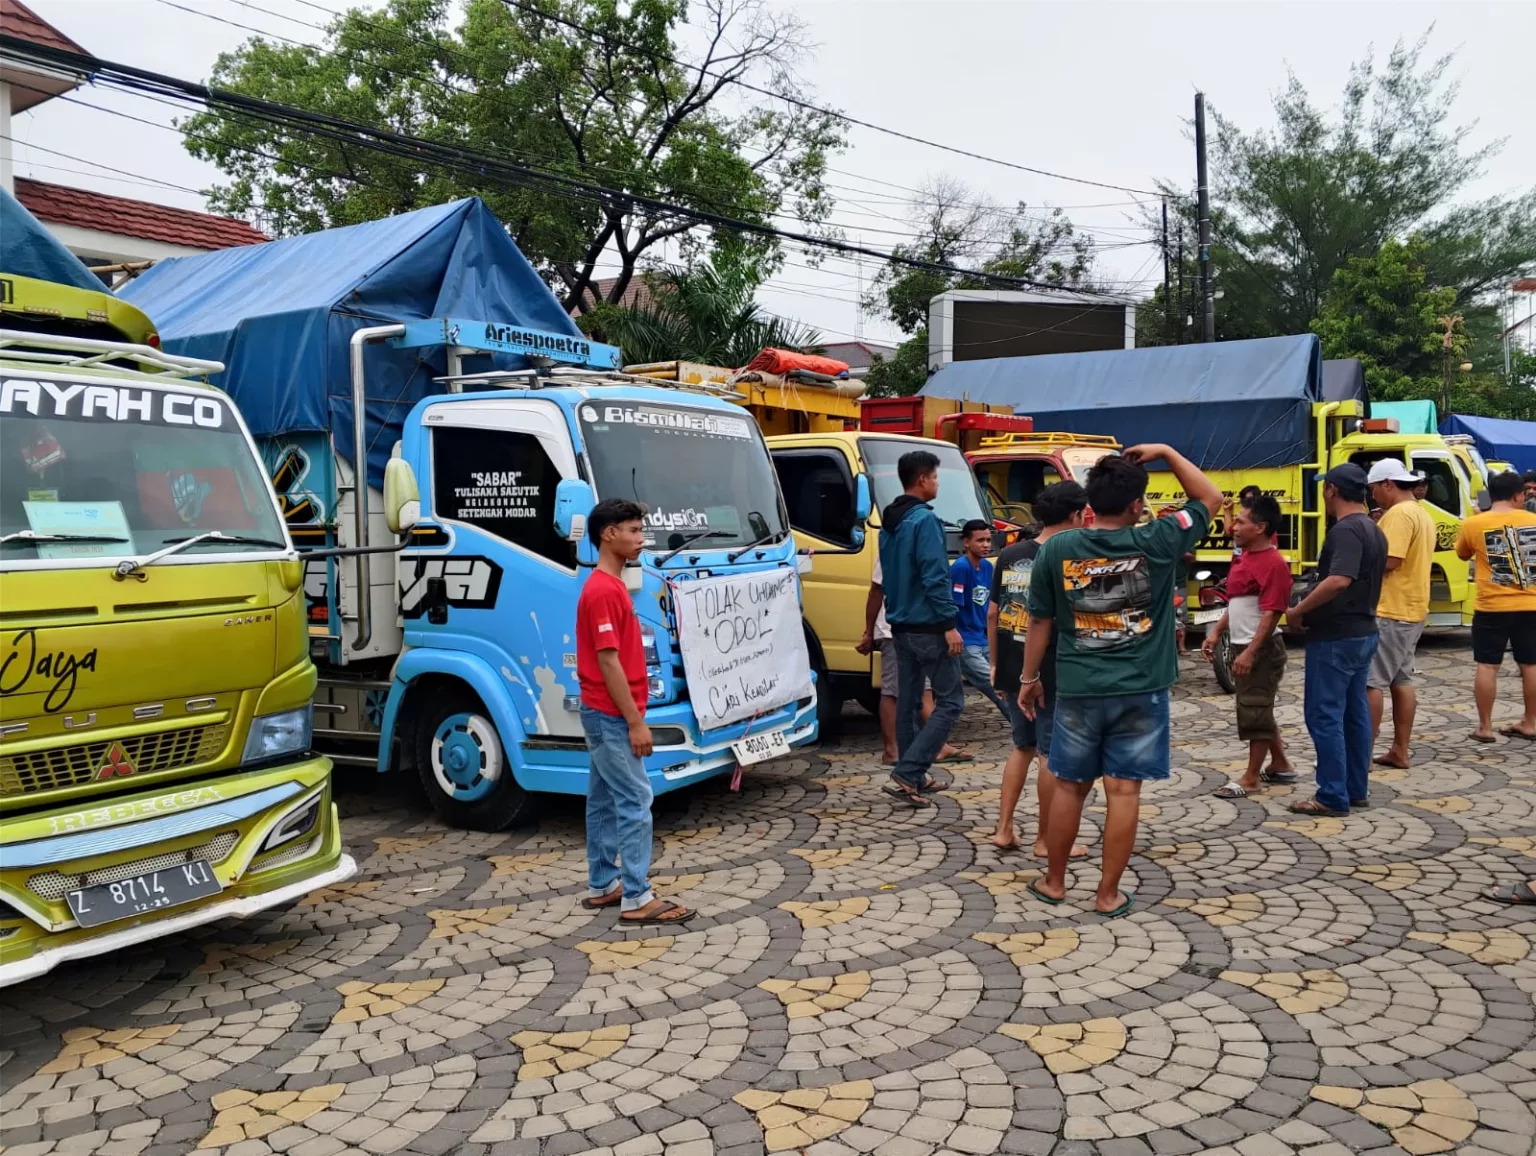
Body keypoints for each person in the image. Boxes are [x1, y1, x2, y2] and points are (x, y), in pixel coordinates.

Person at [1021, 445, 1222, 917]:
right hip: (1141, 688)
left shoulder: (1057, 549)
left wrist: (1030, 677)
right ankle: (1107, 894)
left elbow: (1039, 622)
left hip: (1078, 685)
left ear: (1089, 503)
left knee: (1070, 784)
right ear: (1136, 505)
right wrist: (1170, 453)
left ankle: (1054, 882)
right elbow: (1210, 497)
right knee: (1124, 791)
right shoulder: (1159, 538)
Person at [576, 499, 692, 925]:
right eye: (634, 530)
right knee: (636, 798)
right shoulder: (604, 590)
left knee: (604, 798)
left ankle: (604, 884)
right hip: (610, 715)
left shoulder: (606, 585)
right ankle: (637, 898)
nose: (642, 539)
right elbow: (608, 661)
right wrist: (636, 722)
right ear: (609, 534)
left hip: (602, 713)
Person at [988, 481, 1089, 859]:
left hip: (1012, 662)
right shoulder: (1070, 556)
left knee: (1021, 746)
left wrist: (996, 664)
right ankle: (1046, 840)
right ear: (1076, 515)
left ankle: (1003, 829)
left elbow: (994, 611)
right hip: (1049, 667)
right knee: (1050, 754)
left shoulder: (1010, 554)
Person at [1286, 464, 1387, 817]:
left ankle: (1331, 795)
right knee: (1354, 712)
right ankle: (1355, 788)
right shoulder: (1374, 529)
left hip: (1336, 637)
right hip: (1363, 632)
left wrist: (1298, 610)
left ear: (1331, 490)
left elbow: (1338, 580)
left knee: (1324, 715)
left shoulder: (1345, 530)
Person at [879, 449, 966, 807]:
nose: (937, 483)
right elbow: (934, 576)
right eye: (936, 477)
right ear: (922, 480)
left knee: (908, 702)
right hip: (930, 627)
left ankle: (911, 773)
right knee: (952, 702)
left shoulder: (889, 524)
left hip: (899, 625)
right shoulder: (924, 521)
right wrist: (949, 625)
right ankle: (909, 770)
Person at [1205, 496, 1293, 798]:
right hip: (1245, 644)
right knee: (1258, 707)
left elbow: (1272, 613)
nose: (1233, 527)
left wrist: (1251, 651)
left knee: (1254, 709)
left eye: (1241, 521)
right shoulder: (1244, 556)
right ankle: (1280, 763)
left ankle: (1251, 777)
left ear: (1261, 527)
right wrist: (1217, 632)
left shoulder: (1274, 564)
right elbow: (1238, 603)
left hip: (1262, 649)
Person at [857, 559, 964, 766]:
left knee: (925, 689)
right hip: (893, 629)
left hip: (920, 629)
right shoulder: (892, 546)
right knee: (893, 691)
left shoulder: (923, 546)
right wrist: (869, 632)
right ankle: (892, 750)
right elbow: (875, 591)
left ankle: (937, 744)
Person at [1455, 468, 1536, 742]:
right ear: (1517, 495)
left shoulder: (1473, 523)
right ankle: (1530, 722)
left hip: (1491, 606)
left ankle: (1485, 727)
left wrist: (1480, 520)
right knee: (1531, 664)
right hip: (1531, 604)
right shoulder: (1533, 520)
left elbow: (1462, 552)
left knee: (1487, 665)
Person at [1367, 459, 1436, 769]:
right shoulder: (1421, 511)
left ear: (1387, 485)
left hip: (1391, 608)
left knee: (1371, 683)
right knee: (1401, 680)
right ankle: (1399, 750)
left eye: (1373, 490)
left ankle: (1361, 754)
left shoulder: (1399, 514)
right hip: (1413, 607)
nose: (1373, 497)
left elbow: (1391, 560)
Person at [952, 519, 1010, 720]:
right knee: (996, 687)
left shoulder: (987, 567)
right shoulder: (960, 568)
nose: (986, 545)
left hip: (984, 638)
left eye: (988, 540)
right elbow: (953, 607)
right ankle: (1029, 734)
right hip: (966, 641)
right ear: (966, 543)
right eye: (980, 541)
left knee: (1004, 684)